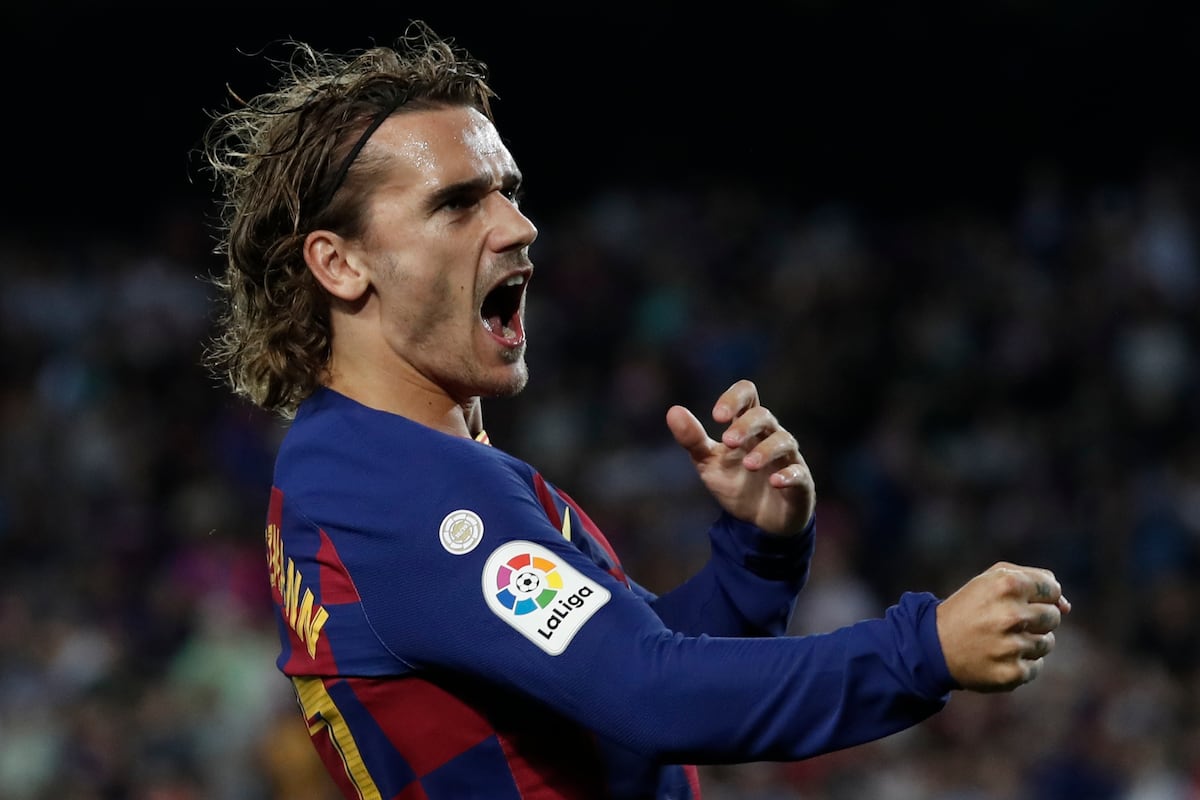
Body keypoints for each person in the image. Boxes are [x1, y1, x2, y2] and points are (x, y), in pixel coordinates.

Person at [200, 20, 1070, 800]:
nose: (518, 226)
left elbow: (621, 671)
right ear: (340, 264)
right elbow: (651, 694)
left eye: (507, 191)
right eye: (457, 202)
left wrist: (756, 556)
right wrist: (923, 650)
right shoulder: (393, 487)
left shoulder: (378, 463)